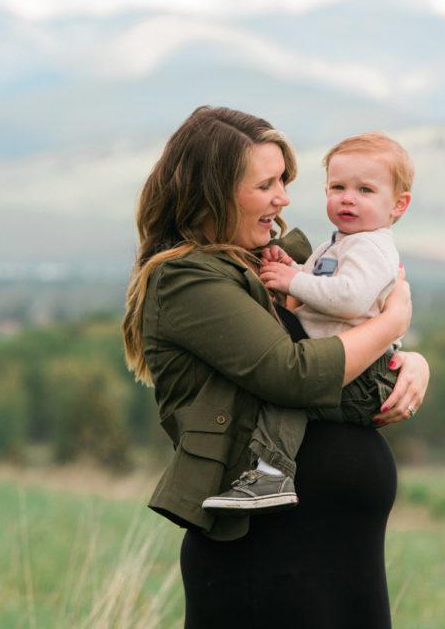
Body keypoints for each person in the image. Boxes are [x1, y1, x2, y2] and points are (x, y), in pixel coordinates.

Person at [122, 106, 429, 628]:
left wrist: (408, 359)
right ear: (214, 192)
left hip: (334, 558)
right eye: (266, 184)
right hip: (265, 561)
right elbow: (291, 373)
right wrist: (393, 320)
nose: (284, 198)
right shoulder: (188, 280)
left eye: (283, 181)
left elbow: (333, 331)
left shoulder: (264, 261)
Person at [201, 131, 414, 514]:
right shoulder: (342, 241)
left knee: (291, 396)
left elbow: (350, 298)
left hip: (362, 376)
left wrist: (293, 282)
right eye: (338, 187)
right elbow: (324, 287)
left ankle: (271, 473)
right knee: (293, 390)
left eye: (365, 190)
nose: (348, 198)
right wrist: (294, 269)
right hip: (350, 365)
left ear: (399, 205)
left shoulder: (370, 246)